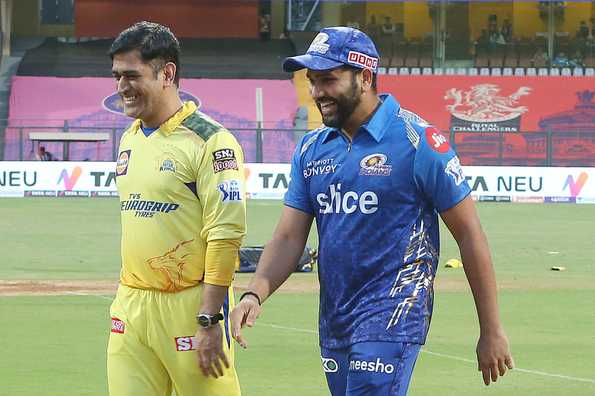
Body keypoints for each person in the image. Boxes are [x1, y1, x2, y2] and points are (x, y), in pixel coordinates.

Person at [231, 26, 513, 396]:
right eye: (312, 81)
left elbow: (469, 233)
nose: (317, 92)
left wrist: (491, 329)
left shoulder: (419, 142)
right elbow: (288, 236)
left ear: (364, 77)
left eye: (328, 80)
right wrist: (254, 293)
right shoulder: (311, 149)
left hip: (393, 315)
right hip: (335, 317)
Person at [107, 21, 246, 396]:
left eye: (132, 75)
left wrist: (209, 318)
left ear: (167, 73)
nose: (121, 87)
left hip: (189, 309)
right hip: (131, 306)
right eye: (117, 76)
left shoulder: (211, 141)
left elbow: (226, 235)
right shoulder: (130, 138)